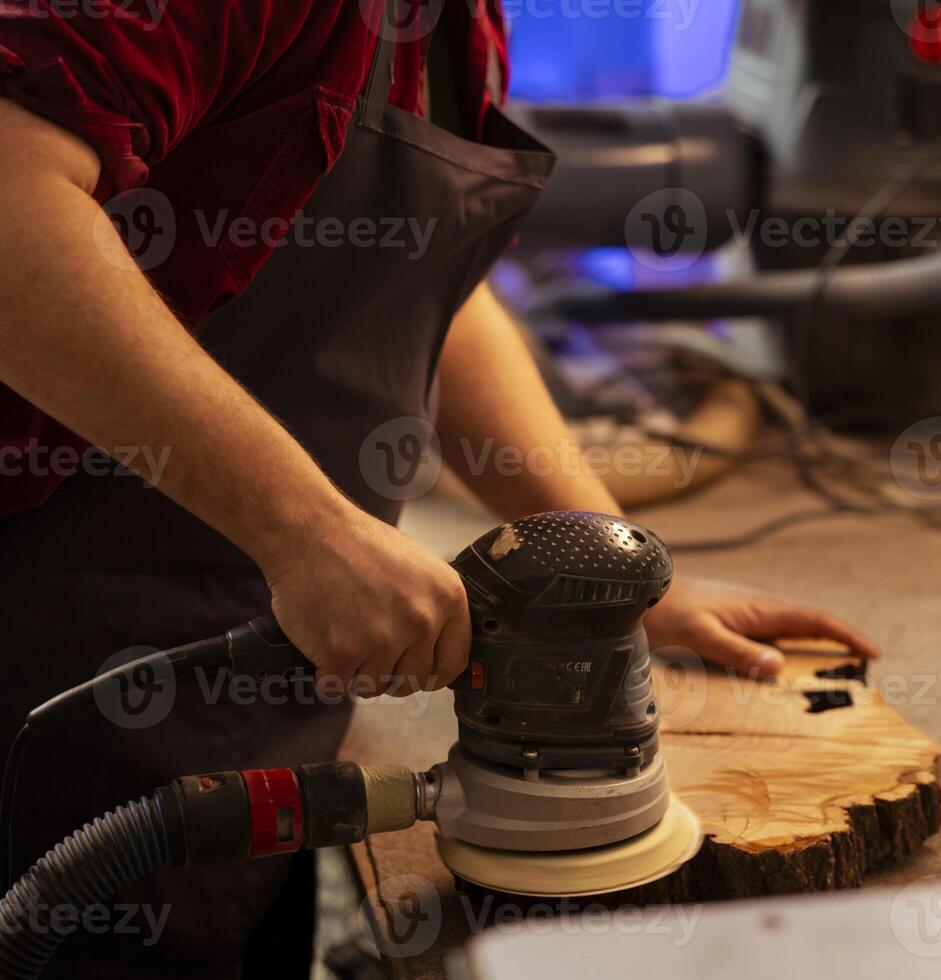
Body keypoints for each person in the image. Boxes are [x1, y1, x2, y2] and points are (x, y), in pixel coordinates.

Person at [0, 2, 876, 975]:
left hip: (258, 670)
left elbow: (428, 291)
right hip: (55, 666)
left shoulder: (455, 24)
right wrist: (307, 532)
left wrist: (604, 557)